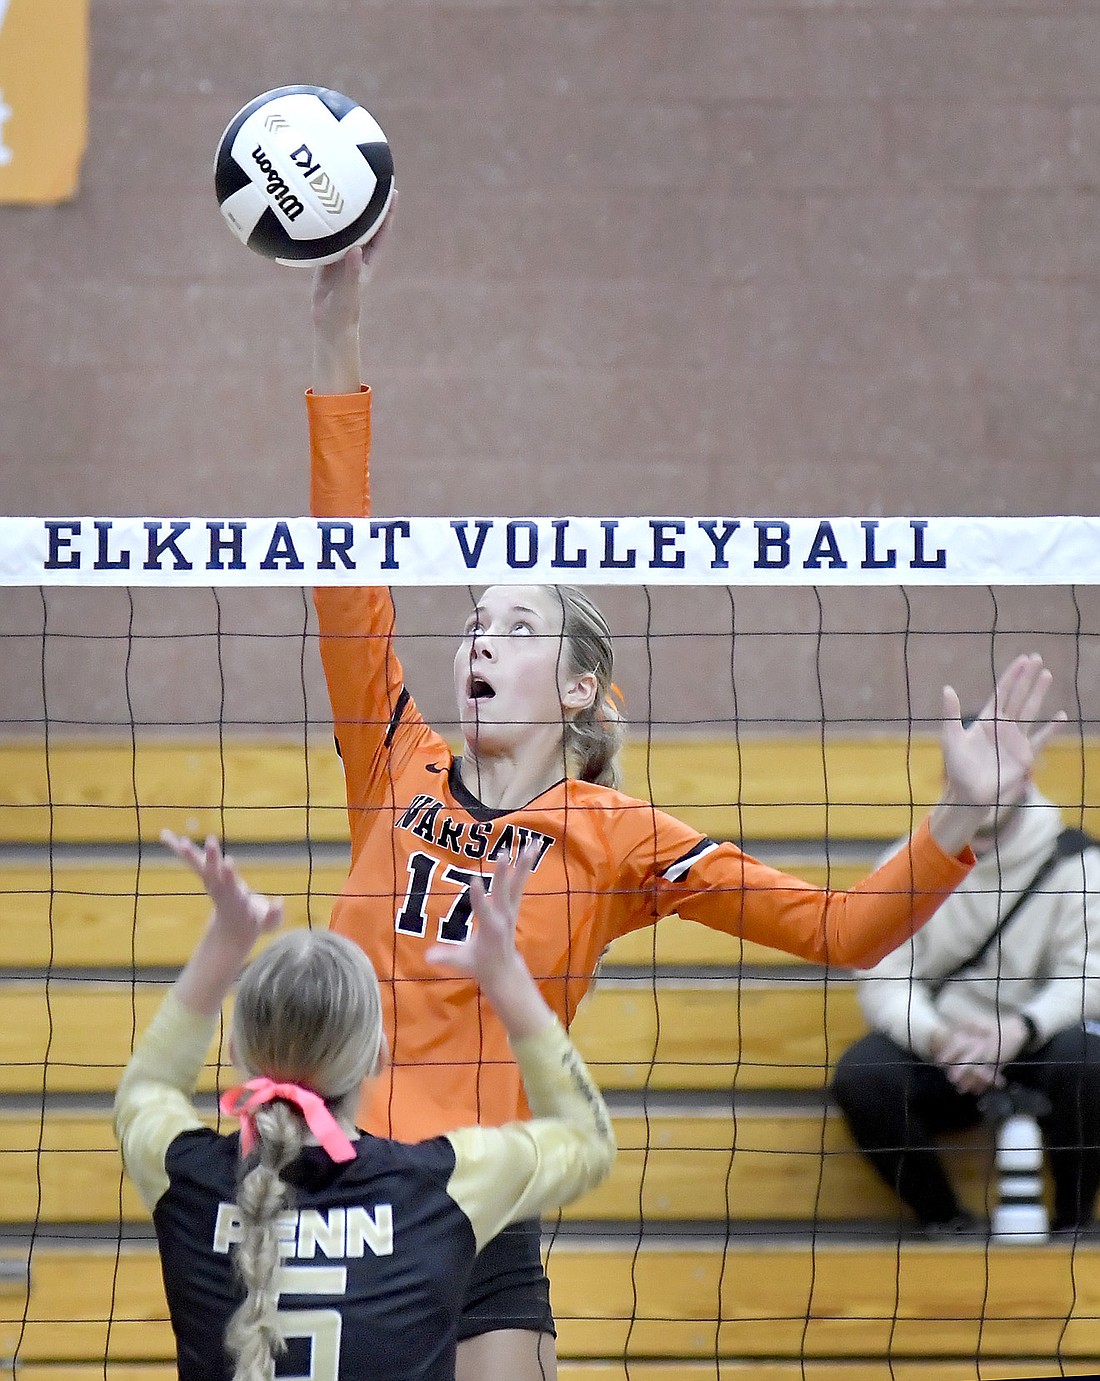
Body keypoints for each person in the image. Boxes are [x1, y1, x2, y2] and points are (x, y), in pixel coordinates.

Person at [305, 216, 1064, 1378]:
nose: (479, 639)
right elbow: (339, 552)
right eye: (473, 620)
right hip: (337, 1178)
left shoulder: (618, 839)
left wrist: (955, 820)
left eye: (516, 628)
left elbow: (838, 930)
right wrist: (336, 316)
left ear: (573, 686)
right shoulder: (389, 757)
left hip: (483, 1190)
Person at [113, 831, 616, 1381]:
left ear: (235, 1050)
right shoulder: (438, 1190)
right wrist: (508, 981)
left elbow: (145, 1091)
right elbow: (587, 1140)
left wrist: (224, 944)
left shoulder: (186, 1180)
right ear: (377, 1053)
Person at [832, 768, 1100, 1238]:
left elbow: (1089, 975)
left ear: (1025, 778)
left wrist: (1021, 1029)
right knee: (864, 1076)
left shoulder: (1081, 864)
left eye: (998, 776)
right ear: (947, 781)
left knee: (1089, 1061)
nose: (984, 789)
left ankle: (1073, 1225)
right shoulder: (907, 865)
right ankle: (946, 1220)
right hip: (946, 1052)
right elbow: (883, 979)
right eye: (972, 775)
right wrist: (939, 1038)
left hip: (1040, 1045)